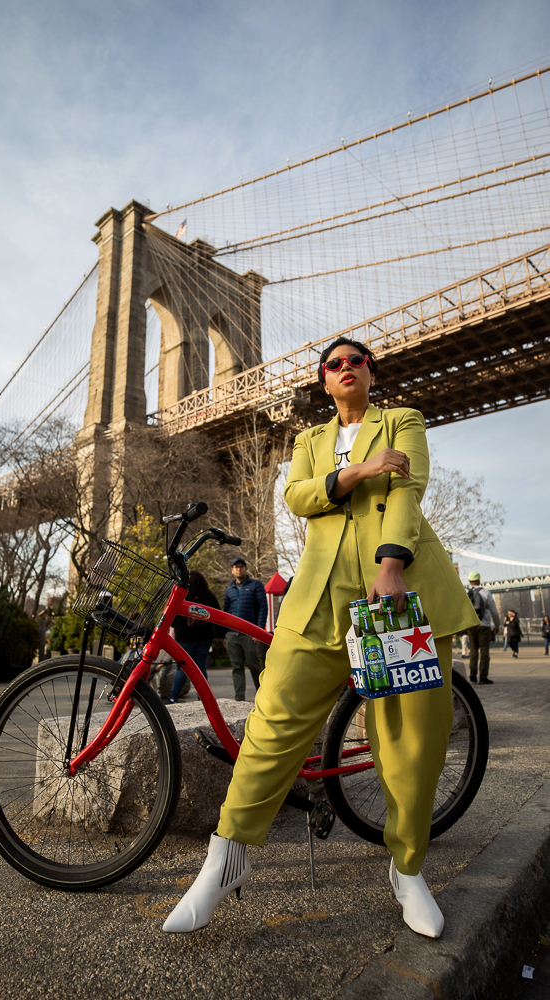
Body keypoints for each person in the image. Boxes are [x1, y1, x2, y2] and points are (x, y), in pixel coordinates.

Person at [163, 335, 479, 941]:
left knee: (413, 735)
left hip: (395, 590)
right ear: (324, 381)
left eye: (355, 360)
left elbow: (406, 491)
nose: (345, 369)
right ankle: (225, 858)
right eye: (333, 365)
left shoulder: (402, 419)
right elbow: (299, 497)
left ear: (370, 371)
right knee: (274, 722)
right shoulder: (308, 440)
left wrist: (391, 562)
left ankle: (407, 868)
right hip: (319, 596)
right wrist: (361, 469)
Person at [169, 571, 222, 703]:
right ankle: (203, 698)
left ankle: (173, 697)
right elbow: (218, 615)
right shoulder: (208, 596)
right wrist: (220, 635)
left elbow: (173, 615)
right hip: (204, 636)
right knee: (200, 667)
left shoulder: (184, 596)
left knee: (182, 667)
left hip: (185, 636)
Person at [223, 558, 267, 701]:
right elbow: (226, 612)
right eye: (236, 567)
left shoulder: (255, 585)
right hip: (232, 634)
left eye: (241, 566)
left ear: (246, 569)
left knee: (254, 666)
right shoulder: (229, 589)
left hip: (250, 633)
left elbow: (263, 607)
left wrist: (259, 630)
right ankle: (239, 699)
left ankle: (264, 697)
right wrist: (225, 634)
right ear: (232, 570)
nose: (239, 569)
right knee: (237, 668)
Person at [466, 572, 500, 684]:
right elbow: (494, 611)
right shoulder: (485, 593)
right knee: (484, 649)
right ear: (479, 580)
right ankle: (483, 676)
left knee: (473, 648)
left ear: (469, 581)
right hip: (484, 625)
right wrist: (497, 625)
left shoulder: (465, 592)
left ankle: (472, 673)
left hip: (471, 625)